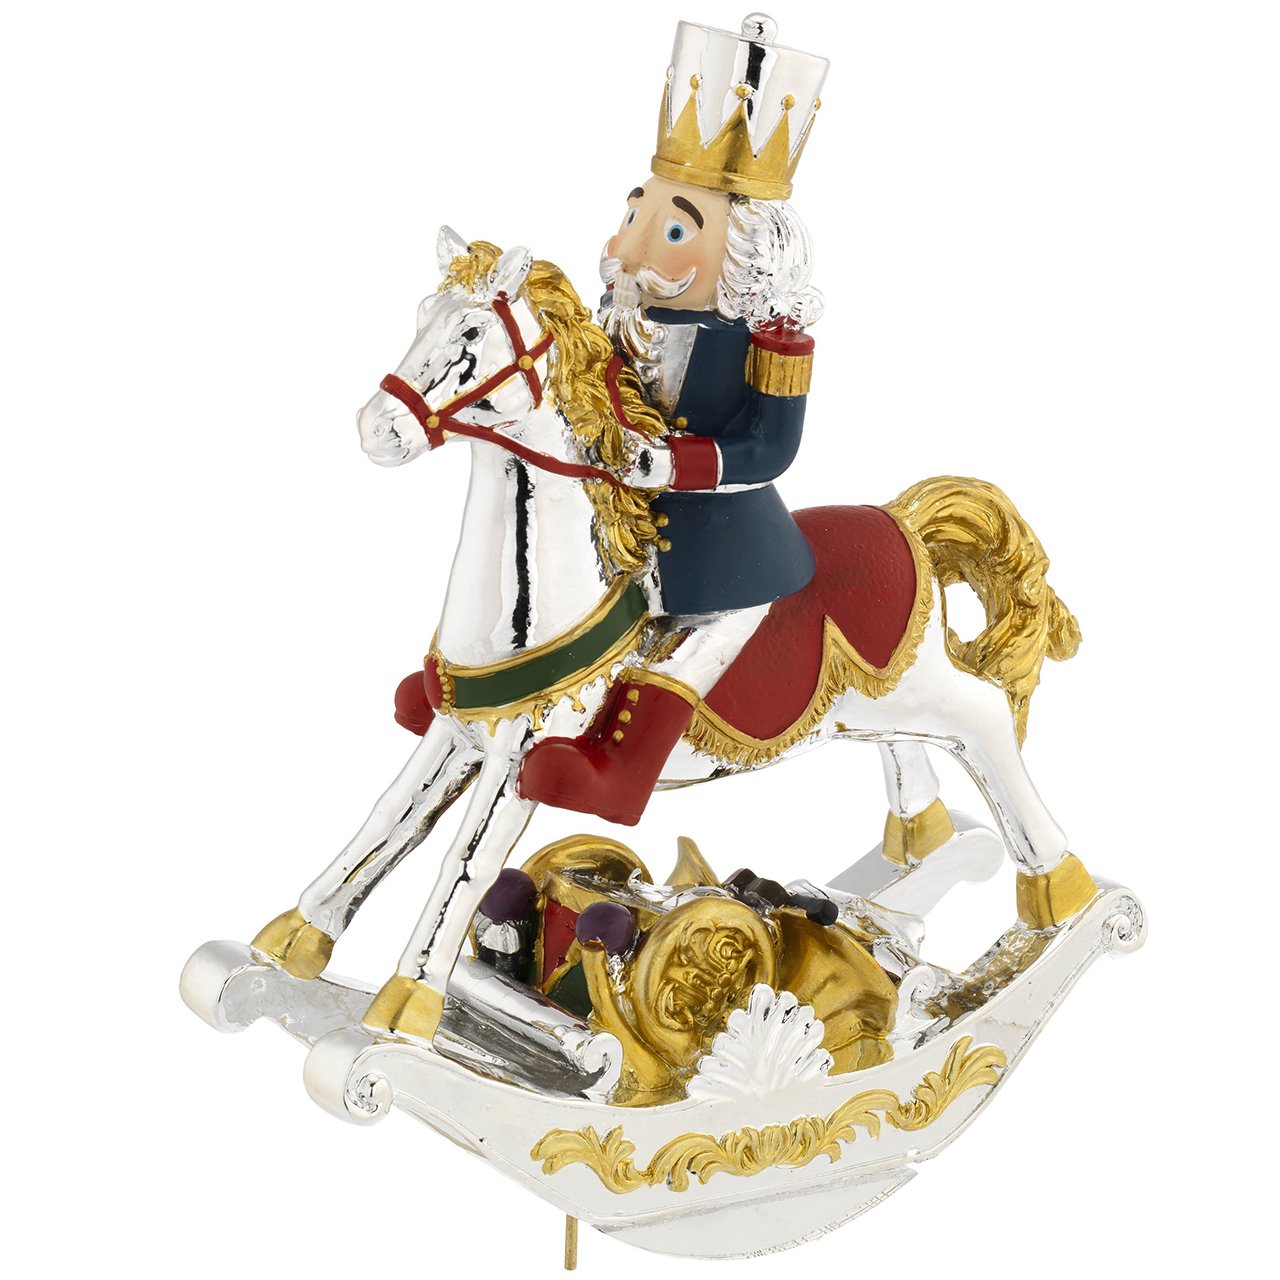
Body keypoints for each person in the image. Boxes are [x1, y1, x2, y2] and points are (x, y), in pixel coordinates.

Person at [519, 14, 829, 825]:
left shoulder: (770, 343)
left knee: (698, 644)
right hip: (618, 529)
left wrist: (674, 463)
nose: (630, 247)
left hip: (726, 546)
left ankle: (624, 777)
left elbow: (772, 446)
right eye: (634, 216)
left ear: (748, 258)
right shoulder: (614, 318)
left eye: (674, 229)